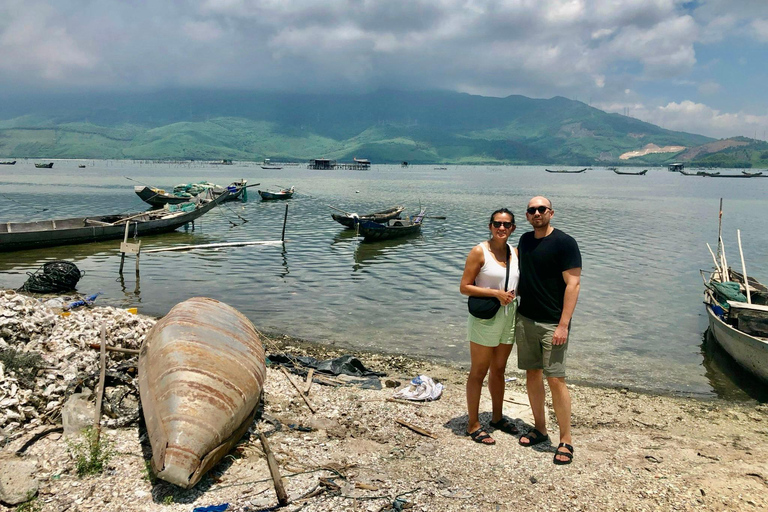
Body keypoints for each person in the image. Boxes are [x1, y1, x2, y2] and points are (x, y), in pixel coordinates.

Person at [515, 196, 581, 465]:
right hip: (525, 318)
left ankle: (566, 440)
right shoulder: (525, 240)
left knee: (556, 379)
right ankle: (540, 428)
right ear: (528, 216)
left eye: (542, 209)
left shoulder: (565, 243)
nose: (537, 213)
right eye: (532, 210)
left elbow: (573, 285)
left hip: (553, 322)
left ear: (551, 212)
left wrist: (563, 324)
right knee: (532, 374)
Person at [459, 208, 520, 445]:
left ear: (513, 228)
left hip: (509, 316)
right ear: (490, 226)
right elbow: (464, 287)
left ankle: (496, 418)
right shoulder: (479, 251)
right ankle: (473, 423)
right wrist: (495, 293)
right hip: (485, 318)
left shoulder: (515, 253)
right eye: (497, 224)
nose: (501, 228)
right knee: (478, 371)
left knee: (499, 370)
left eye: (506, 224)